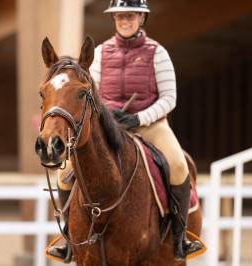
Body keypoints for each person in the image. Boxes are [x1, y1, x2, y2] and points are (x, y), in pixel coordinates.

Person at [47, 0, 203, 262]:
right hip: (110, 124)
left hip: (150, 123)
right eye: (120, 16)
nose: (125, 20)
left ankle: (179, 237)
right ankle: (69, 239)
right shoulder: (101, 52)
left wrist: (140, 117)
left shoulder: (158, 52)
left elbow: (169, 98)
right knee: (64, 173)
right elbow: (91, 96)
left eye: (130, 16)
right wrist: (106, 116)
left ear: (141, 18)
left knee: (177, 165)